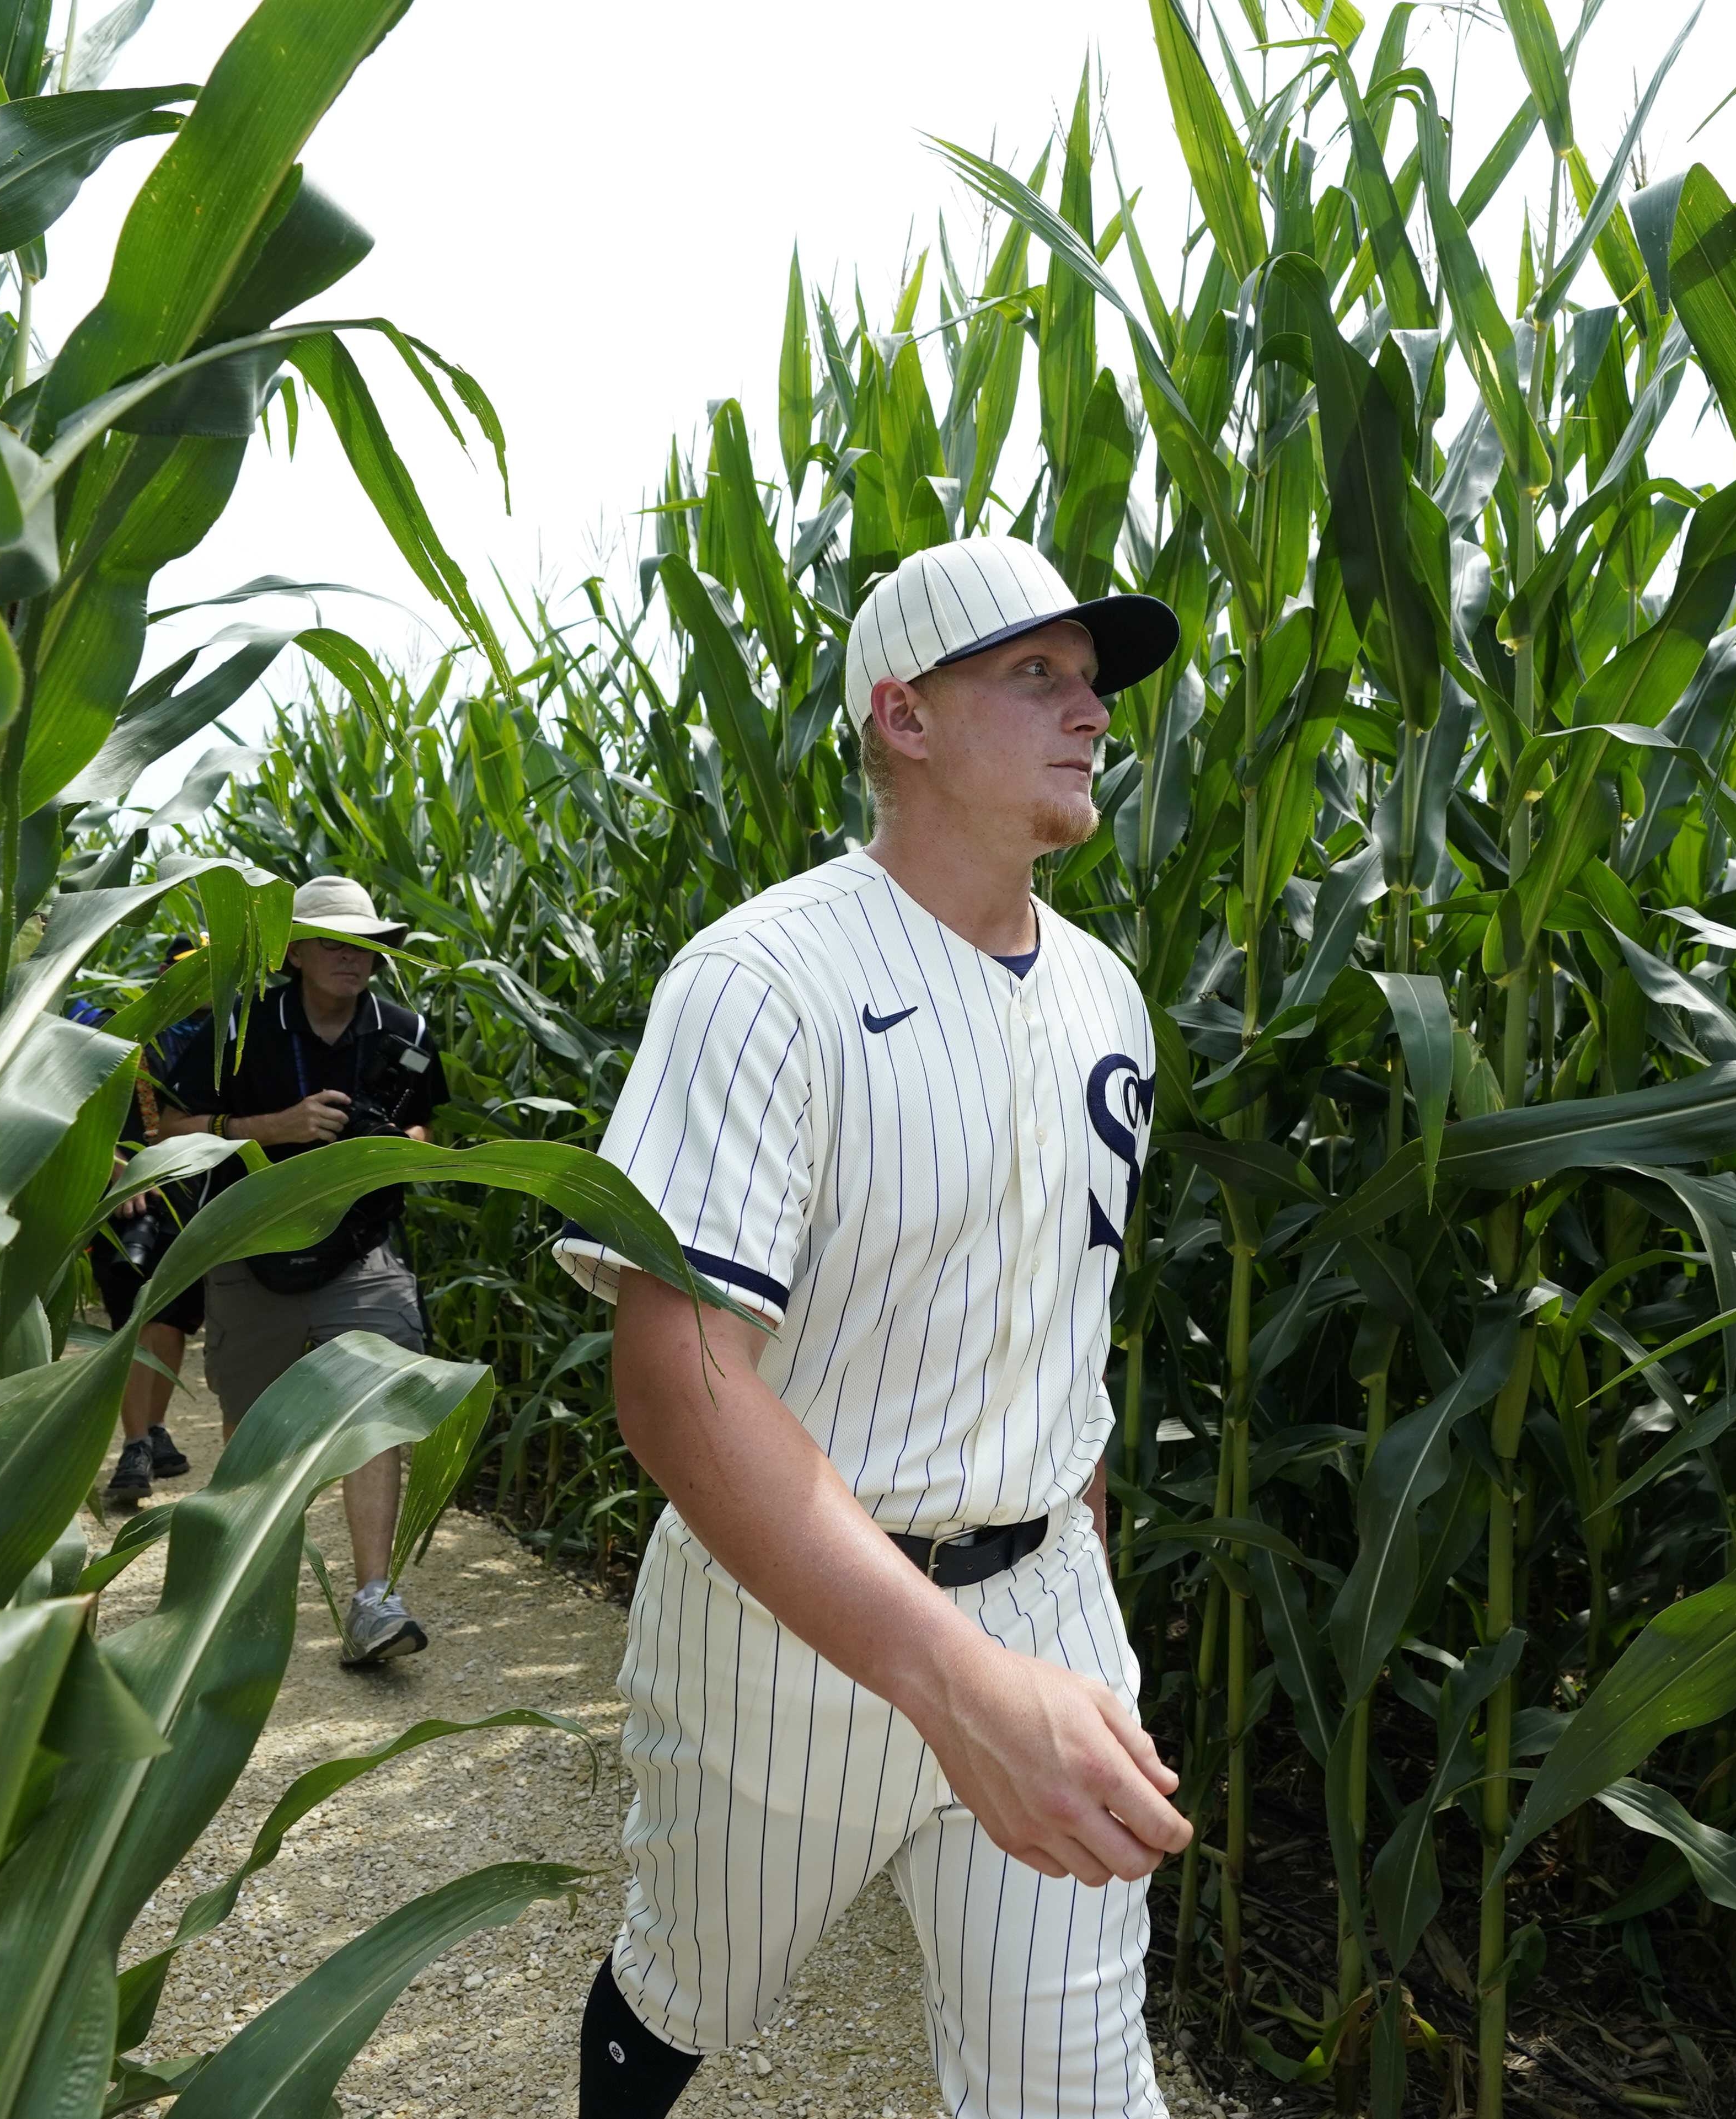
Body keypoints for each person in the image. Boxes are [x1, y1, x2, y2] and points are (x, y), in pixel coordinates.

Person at [550, 536, 1193, 2119]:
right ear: (903, 718)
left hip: (1044, 1606)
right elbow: (681, 1382)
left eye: (1093, 679)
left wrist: (1067, 1585)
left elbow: (1055, 1321)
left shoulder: (1109, 996)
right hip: (789, 1630)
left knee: (1078, 2088)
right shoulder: (764, 978)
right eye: (1034, 672)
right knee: (685, 1984)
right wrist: (951, 1682)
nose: (1091, 709)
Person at [154, 875, 444, 1665]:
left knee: (373, 1405)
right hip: (254, 1247)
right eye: (333, 943)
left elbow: (421, 1116)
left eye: (365, 945)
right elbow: (174, 1124)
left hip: (361, 1247)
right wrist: (273, 1127)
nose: (353, 959)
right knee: (252, 1427)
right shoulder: (235, 1029)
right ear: (292, 952)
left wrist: (408, 1143)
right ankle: (248, 1589)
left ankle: (373, 1601)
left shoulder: (406, 1029)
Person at [79, 936, 206, 1509]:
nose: (199, 985)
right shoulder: (114, 1028)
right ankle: (133, 1445)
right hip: (123, 1199)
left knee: (174, 1317)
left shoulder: (220, 1039)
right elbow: (61, 1097)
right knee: (133, 1316)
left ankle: (154, 1427)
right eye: (188, 974)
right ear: (164, 975)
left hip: (191, 1196)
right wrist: (110, 1163)